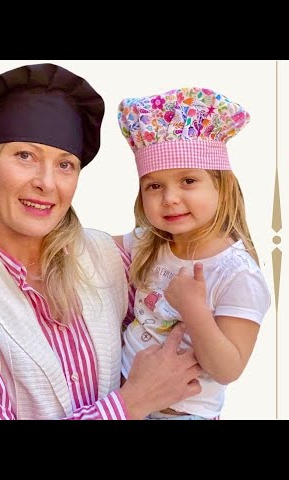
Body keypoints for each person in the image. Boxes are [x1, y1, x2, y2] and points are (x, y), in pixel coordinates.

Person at [0, 63, 201, 420]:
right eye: (25, 156)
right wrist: (131, 404)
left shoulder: (108, 258)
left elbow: (189, 346)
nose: (47, 184)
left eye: (66, 164)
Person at [116, 87, 271, 420]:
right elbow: (91, 246)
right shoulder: (151, 243)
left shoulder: (236, 273)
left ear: (222, 187)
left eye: (188, 180)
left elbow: (228, 368)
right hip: (122, 400)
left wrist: (193, 309)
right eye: (154, 186)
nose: (169, 198)